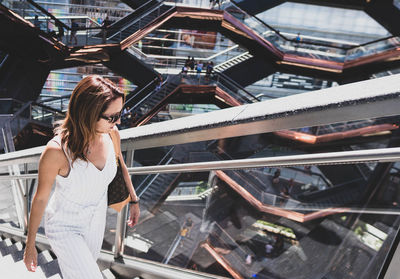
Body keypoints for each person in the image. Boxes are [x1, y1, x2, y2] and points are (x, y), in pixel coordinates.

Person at [23, 75, 140, 278]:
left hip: (96, 221)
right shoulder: (57, 151)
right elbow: (40, 198)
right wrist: (30, 244)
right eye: (112, 117)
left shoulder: (112, 135)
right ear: (88, 113)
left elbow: (120, 164)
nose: (119, 121)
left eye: (121, 113)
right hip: (64, 226)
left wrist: (134, 199)